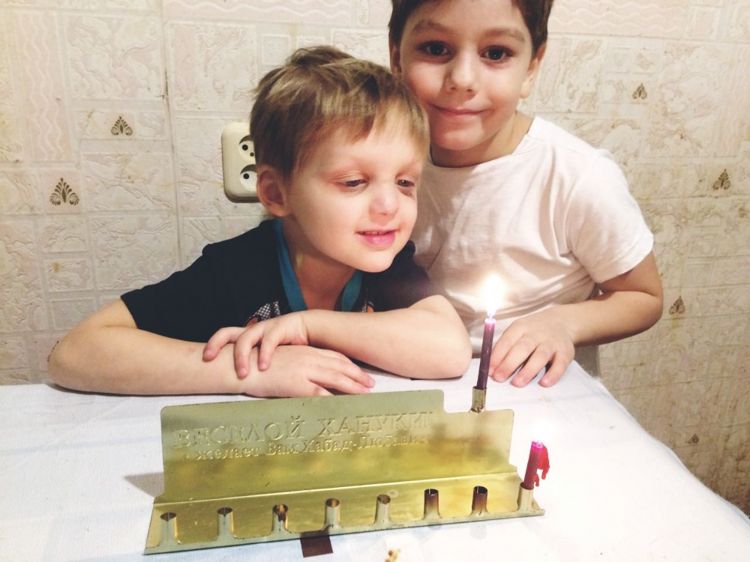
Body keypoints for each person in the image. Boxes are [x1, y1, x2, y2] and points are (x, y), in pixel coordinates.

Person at [48, 46, 472, 398]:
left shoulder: (387, 262)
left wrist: (308, 325)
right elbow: (75, 353)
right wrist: (247, 371)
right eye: (353, 181)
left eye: (405, 182)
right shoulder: (237, 270)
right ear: (276, 193)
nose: (389, 205)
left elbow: (449, 351)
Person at [388, 0, 663, 387]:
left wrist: (562, 323)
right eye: (436, 48)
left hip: (530, 393)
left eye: (495, 53)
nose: (462, 79)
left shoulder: (577, 176)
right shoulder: (382, 160)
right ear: (396, 58)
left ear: (531, 68)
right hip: (408, 380)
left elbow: (644, 297)